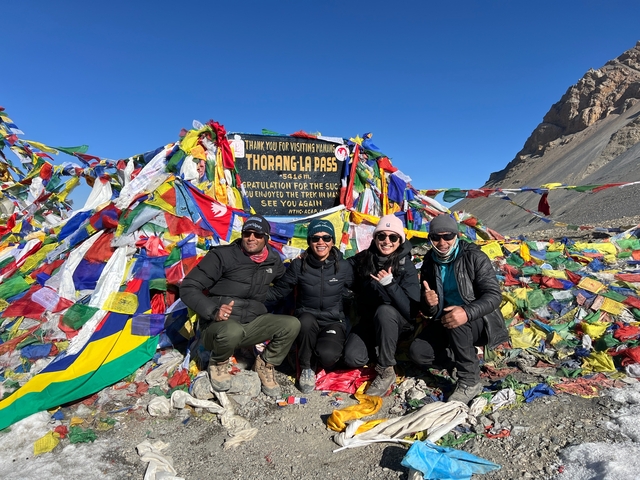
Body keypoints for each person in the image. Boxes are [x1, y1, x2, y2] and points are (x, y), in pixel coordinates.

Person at [180, 215, 300, 397]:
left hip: (251, 325)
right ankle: (218, 363)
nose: (251, 238)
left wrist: (302, 266)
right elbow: (189, 287)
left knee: (291, 324)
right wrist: (213, 311)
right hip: (218, 326)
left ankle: (265, 364)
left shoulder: (272, 261)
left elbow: (284, 282)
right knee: (231, 330)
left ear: (266, 238)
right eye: (247, 233)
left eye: (257, 234)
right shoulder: (222, 256)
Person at [409, 214, 509, 405]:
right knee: (418, 352)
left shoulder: (474, 257)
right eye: (436, 237)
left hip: (478, 320)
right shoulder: (430, 260)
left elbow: (494, 296)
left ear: (457, 235)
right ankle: (458, 358)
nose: (442, 242)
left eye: (448, 236)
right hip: (445, 320)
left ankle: (470, 381)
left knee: (455, 318)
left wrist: (467, 312)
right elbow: (430, 310)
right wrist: (428, 303)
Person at [267, 219, 353, 393]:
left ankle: (321, 353)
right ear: (309, 242)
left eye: (326, 237)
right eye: (315, 238)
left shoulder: (344, 267)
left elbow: (356, 290)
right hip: (308, 317)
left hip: (333, 320)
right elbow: (279, 291)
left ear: (332, 241)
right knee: (305, 321)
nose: (321, 242)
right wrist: (250, 297)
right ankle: (306, 367)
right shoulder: (299, 265)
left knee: (328, 356)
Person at [343, 214, 420, 396]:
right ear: (375, 238)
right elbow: (344, 266)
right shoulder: (365, 258)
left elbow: (411, 311)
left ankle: (386, 369)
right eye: (381, 236)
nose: (387, 241)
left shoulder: (405, 265)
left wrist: (390, 285)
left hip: (398, 323)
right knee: (352, 358)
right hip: (370, 321)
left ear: (400, 240)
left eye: (393, 237)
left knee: (385, 311)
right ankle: (380, 348)